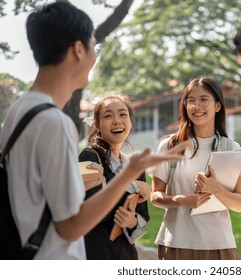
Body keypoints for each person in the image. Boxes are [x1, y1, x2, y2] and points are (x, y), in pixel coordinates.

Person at [0, 2, 189, 259]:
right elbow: (70, 226)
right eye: (93, 46)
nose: (94, 56)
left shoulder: (18, 110)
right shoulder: (54, 122)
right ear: (79, 50)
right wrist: (130, 173)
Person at [150, 76, 241, 260]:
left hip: (219, 245)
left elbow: (239, 204)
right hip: (176, 243)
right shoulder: (170, 145)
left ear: (218, 106)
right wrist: (181, 201)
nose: (197, 106)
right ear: (185, 106)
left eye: (204, 99)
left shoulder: (231, 148)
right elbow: (155, 196)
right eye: (191, 101)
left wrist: (215, 188)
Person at [79, 95, 151, 259]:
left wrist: (131, 221)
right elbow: (94, 209)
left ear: (131, 122)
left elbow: (143, 214)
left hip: (126, 254)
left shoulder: (135, 166)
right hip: (96, 253)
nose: (117, 121)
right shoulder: (90, 156)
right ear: (97, 124)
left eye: (123, 114)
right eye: (108, 116)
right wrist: (134, 185)